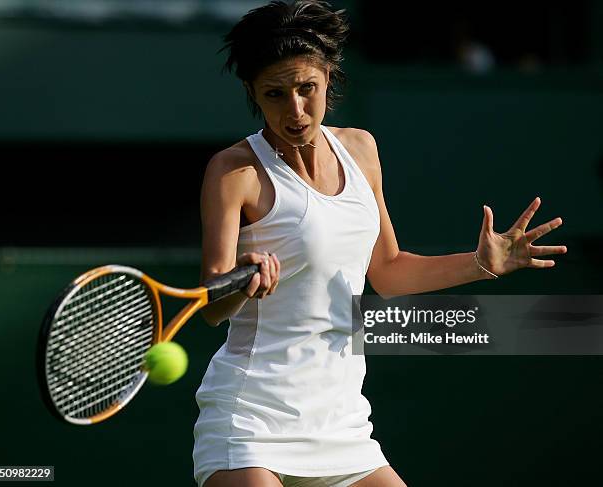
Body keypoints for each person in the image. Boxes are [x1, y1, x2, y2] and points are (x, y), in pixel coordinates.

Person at [192, 2, 567, 486]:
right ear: (252, 92)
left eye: (307, 88)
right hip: (250, 418)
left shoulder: (361, 150)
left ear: (329, 76)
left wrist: (481, 263)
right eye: (275, 94)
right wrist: (242, 284)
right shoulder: (233, 171)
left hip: (341, 421)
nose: (296, 110)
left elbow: (389, 272)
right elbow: (211, 305)